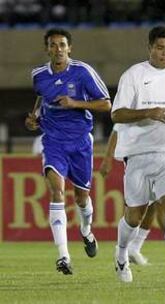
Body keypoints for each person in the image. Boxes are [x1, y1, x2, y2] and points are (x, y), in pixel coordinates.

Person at [111, 25, 165, 285]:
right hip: (138, 155)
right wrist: (147, 113)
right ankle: (122, 252)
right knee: (134, 216)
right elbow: (116, 114)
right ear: (149, 48)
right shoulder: (134, 76)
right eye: (160, 48)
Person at [24, 28, 111, 275]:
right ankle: (63, 256)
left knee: (82, 197)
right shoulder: (39, 75)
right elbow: (41, 100)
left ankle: (86, 231)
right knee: (57, 191)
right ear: (47, 49)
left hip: (81, 142)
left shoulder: (83, 72)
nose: (58, 49)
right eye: (53, 45)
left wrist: (76, 103)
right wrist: (35, 119)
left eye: (62, 44)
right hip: (53, 141)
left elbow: (106, 104)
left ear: (69, 48)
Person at [99, 126, 165, 266]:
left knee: (159, 206)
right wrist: (107, 158)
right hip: (141, 160)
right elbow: (117, 128)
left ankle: (136, 248)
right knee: (142, 212)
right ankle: (127, 249)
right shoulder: (137, 106)